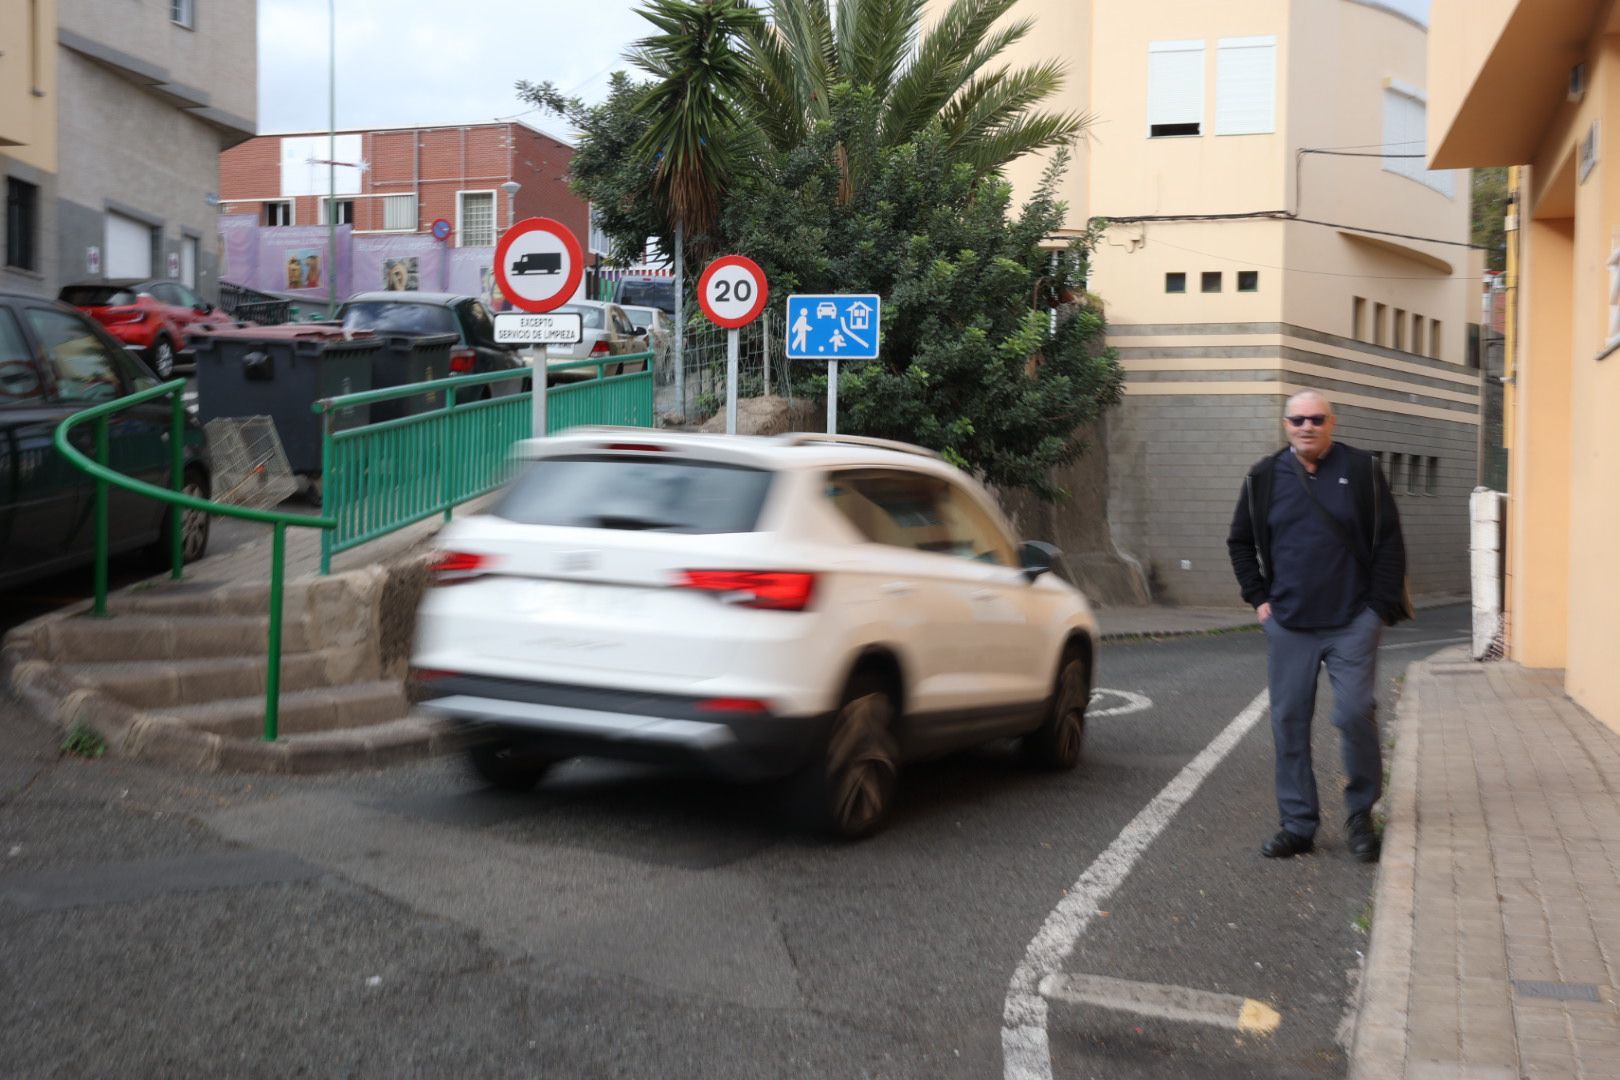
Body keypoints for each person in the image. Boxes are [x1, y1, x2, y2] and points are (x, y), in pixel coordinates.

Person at [1226, 389, 1406, 863]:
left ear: (1332, 423)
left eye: (1317, 418)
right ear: (1286, 425)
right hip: (1289, 623)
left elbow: (1389, 541)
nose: (1307, 426)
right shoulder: (1263, 477)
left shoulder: (1363, 470)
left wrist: (1377, 609)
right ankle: (1298, 824)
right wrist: (1259, 599)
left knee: (1353, 712)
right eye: (1298, 419)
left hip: (1352, 621)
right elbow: (1240, 542)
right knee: (1288, 722)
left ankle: (1360, 815)